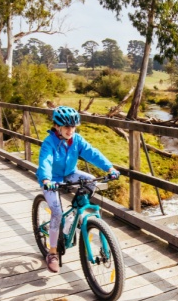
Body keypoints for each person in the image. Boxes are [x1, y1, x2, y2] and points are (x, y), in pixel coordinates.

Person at [36, 106, 119, 273]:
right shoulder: (49, 142)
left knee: (90, 182)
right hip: (52, 179)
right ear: (57, 126)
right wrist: (46, 179)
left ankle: (75, 212)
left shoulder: (77, 140)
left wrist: (109, 168)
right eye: (67, 127)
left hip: (70, 173)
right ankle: (52, 253)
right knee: (57, 212)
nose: (70, 130)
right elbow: (45, 161)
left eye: (73, 127)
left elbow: (92, 153)